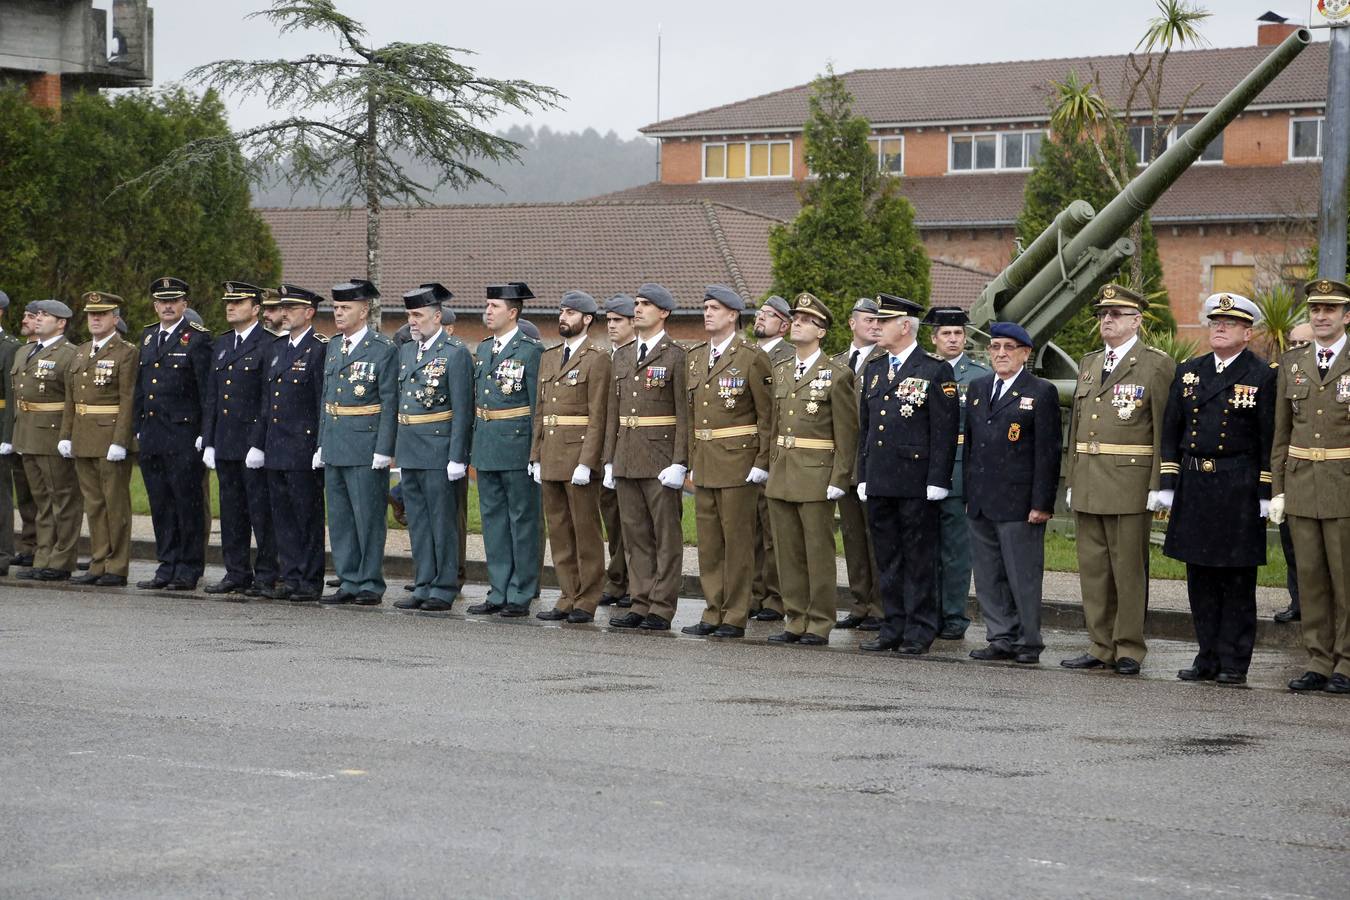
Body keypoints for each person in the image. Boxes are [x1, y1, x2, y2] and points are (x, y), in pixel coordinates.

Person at [1157, 293, 1275, 687]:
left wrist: (1265, 490)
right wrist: (1169, 484)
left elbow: (1268, 437)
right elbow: (1171, 431)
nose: (1219, 328)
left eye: (1229, 323)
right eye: (1215, 322)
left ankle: (1234, 661)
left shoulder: (1263, 375)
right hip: (1196, 484)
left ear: (1247, 332)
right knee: (1200, 577)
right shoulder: (1190, 371)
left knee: (1236, 579)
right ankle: (1206, 655)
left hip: (1238, 484)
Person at [1061, 284, 1175, 677]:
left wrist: (1160, 484)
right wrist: (1073, 477)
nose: (1106, 320)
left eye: (1116, 314)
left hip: (1130, 481)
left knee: (1128, 570)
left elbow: (1162, 427)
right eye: (1102, 314)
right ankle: (1099, 644)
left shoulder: (1154, 364)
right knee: (1093, 569)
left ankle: (1129, 646)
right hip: (1090, 478)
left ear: (1137, 321)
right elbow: (1077, 426)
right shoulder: (1090, 362)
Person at [856, 294, 959, 655]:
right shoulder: (874, 368)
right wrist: (863, 474)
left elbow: (944, 432)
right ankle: (892, 626)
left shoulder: (934, 370)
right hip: (882, 478)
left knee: (918, 559)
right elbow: (866, 428)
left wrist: (938, 480)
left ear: (904, 326)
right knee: (887, 558)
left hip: (916, 481)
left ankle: (919, 629)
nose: (876, 327)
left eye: (883, 323)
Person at [963, 322, 1061, 665]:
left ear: (1024, 353)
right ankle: (1000, 636)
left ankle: (1028, 641)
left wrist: (1041, 503)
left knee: (1022, 575)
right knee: (988, 575)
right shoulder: (977, 388)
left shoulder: (1041, 391)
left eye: (1008, 348)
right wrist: (969, 494)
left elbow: (1047, 453)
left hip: (1020, 503)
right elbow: (972, 445)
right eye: (995, 347)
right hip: (982, 500)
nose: (1001, 354)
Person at [1271, 278, 1350, 695]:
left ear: (1346, 316)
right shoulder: (1293, 362)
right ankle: (1319, 660)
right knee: (1312, 578)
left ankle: (1348, 662)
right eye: (1315, 310)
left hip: (1343, 486)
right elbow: (1282, 433)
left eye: (1330, 310)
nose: (1320, 316)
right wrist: (1277, 489)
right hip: (1302, 484)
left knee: (1345, 578)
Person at [764, 293, 857, 646]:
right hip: (783, 471)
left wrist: (840, 477)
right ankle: (795, 617)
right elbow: (773, 426)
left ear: (820, 331)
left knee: (817, 552)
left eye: (805, 320)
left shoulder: (836, 375)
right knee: (787, 552)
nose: (797, 323)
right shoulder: (782, 371)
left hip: (817, 474)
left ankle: (819, 621)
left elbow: (847, 433)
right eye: (796, 318)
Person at [682, 285, 773, 639]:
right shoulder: (696, 355)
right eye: (705, 307)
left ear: (733, 315)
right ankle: (712, 609)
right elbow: (692, 416)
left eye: (715, 308)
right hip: (705, 461)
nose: (707, 313)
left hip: (738, 462)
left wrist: (762, 461)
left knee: (737, 543)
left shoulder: (751, 356)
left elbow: (768, 416)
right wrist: (689, 459)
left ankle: (735, 614)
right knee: (709, 542)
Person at [603, 282, 689, 631]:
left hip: (660, 457)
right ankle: (639, 602)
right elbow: (613, 412)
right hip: (626, 455)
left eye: (646, 305)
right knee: (634, 535)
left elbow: (685, 414)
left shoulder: (677, 355)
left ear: (664, 313)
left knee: (665, 537)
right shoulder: (622, 355)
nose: (637, 309)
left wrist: (680, 462)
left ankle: (661, 607)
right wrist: (609, 459)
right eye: (636, 304)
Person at [391, 284, 473, 611]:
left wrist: (457, 456)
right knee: (419, 521)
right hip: (411, 448)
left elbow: (463, 410)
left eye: (418, 315)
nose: (412, 321)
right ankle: (423, 582)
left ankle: (444, 585)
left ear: (437, 317)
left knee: (442, 522)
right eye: (409, 315)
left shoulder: (455, 353)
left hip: (439, 450)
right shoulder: (408, 351)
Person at [531, 290, 612, 623]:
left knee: (585, 531)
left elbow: (599, 415)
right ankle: (567, 594)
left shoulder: (598, 357)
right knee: (560, 531)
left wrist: (587, 461)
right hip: (550, 454)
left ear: (587, 319)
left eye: (571, 312)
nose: (563, 317)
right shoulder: (549, 356)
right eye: (561, 311)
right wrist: (535, 455)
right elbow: (541, 411)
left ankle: (587, 598)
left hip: (578, 457)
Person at [317, 279, 397, 606]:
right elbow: (327, 397)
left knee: (368, 518)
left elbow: (390, 401)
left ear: (364, 311)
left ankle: (370, 582)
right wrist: (322, 442)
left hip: (366, 445)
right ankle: (348, 578)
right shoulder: (334, 346)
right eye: (336, 308)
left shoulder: (382, 349)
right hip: (336, 442)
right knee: (340, 518)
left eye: (345, 308)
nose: (338, 313)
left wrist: (385, 448)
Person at [467, 282, 543, 617]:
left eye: (494, 306)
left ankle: (521, 591)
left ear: (512, 312)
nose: (487, 311)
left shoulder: (530, 351)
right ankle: (498, 589)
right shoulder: (484, 350)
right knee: (493, 521)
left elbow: (536, 407)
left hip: (516, 444)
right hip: (487, 442)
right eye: (487, 305)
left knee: (522, 520)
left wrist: (534, 452)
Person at [132, 276, 213, 591]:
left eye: (173, 301)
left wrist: (204, 435)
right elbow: (142, 387)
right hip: (153, 434)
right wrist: (138, 427)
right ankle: (166, 565)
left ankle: (188, 568)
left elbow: (207, 392)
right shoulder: (149, 337)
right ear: (155, 305)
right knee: (160, 504)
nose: (167, 306)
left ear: (184, 305)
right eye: (162, 301)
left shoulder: (197, 339)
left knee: (186, 504)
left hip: (183, 435)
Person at [247, 284, 327, 601]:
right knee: (283, 519)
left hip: (303, 447)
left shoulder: (319, 348)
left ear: (308, 313)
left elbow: (321, 401)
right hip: (276, 446)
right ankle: (291, 577)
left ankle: (310, 580)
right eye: (284, 308)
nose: (285, 313)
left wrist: (321, 445)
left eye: (292, 309)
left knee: (306, 517)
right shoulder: (277, 349)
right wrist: (258, 442)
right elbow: (267, 402)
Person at [201, 282, 279, 598]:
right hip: (226, 441)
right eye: (228, 303)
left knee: (261, 513)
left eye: (239, 302)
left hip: (252, 444)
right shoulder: (221, 345)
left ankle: (266, 575)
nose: (230, 307)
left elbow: (267, 399)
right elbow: (213, 396)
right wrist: (209, 440)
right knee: (231, 512)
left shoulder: (269, 343)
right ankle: (236, 572)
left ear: (257, 309)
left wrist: (258, 443)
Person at [61, 291, 138, 587]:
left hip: (110, 437)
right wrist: (66, 435)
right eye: (91, 314)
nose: (95, 319)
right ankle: (98, 562)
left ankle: (116, 566)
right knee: (93, 504)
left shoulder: (126, 352)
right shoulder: (81, 352)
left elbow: (128, 399)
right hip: (83, 436)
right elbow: (71, 398)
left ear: (115, 319)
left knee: (115, 504)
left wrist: (121, 440)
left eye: (102, 314)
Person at [923, 305, 990, 640]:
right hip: (922, 469)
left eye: (958, 334)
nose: (953, 339)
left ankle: (953, 615)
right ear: (933, 338)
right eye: (946, 334)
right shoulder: (921, 371)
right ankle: (927, 613)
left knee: (956, 549)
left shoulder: (978, 376)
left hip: (960, 469)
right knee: (925, 547)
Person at [9, 299, 81, 581]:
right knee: (41, 500)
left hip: (52, 433)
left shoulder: (69, 354)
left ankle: (61, 561)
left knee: (62, 499)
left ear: (61, 323)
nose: (38, 319)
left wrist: (67, 435)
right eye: (37, 315)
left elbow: (73, 400)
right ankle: (43, 556)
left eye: (45, 316)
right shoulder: (25, 351)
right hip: (26, 432)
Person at [832, 299, 885, 630]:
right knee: (851, 536)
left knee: (875, 536)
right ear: (852, 324)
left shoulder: (885, 362)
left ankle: (880, 606)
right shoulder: (837, 363)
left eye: (879, 321)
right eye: (868, 319)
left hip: (872, 462)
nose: (875, 325)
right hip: (842, 464)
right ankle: (860, 603)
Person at [750, 294, 794, 621]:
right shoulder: (747, 354)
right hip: (741, 453)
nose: (760, 318)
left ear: (785, 325)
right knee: (748, 531)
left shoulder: (787, 356)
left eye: (769, 315)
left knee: (771, 533)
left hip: (773, 454)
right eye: (760, 313)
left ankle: (776, 599)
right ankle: (754, 594)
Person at [1274, 321, 1315, 624]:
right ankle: (1297, 601)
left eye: (1305, 344)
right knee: (1292, 544)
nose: (1298, 350)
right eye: (1294, 344)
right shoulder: (1283, 372)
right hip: (1294, 472)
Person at [598, 294, 636, 608]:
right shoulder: (604, 357)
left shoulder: (635, 356)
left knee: (632, 523)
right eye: (608, 321)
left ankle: (627, 581)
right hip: (604, 451)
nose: (611, 326)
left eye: (618, 321)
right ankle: (617, 579)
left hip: (632, 448)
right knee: (612, 519)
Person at [0, 289, 33, 574]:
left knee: (1, 494)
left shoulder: (9, 347)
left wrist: (7, 436)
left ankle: (1, 554)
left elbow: (12, 397)